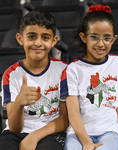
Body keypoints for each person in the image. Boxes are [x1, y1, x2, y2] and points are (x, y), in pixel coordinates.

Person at [60, 4, 118, 150]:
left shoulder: (117, 62)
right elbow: (72, 111)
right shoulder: (73, 69)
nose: (101, 43)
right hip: (78, 133)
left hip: (111, 131)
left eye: (107, 38)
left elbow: (117, 95)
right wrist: (86, 141)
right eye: (94, 37)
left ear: (114, 39)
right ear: (83, 37)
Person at [0, 10, 68, 150]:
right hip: (15, 133)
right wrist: (19, 102)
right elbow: (14, 127)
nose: (38, 43)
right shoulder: (11, 74)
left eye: (45, 37)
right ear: (20, 39)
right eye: (31, 36)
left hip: (52, 131)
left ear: (54, 41)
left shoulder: (65, 71)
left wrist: (35, 136)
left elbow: (66, 118)